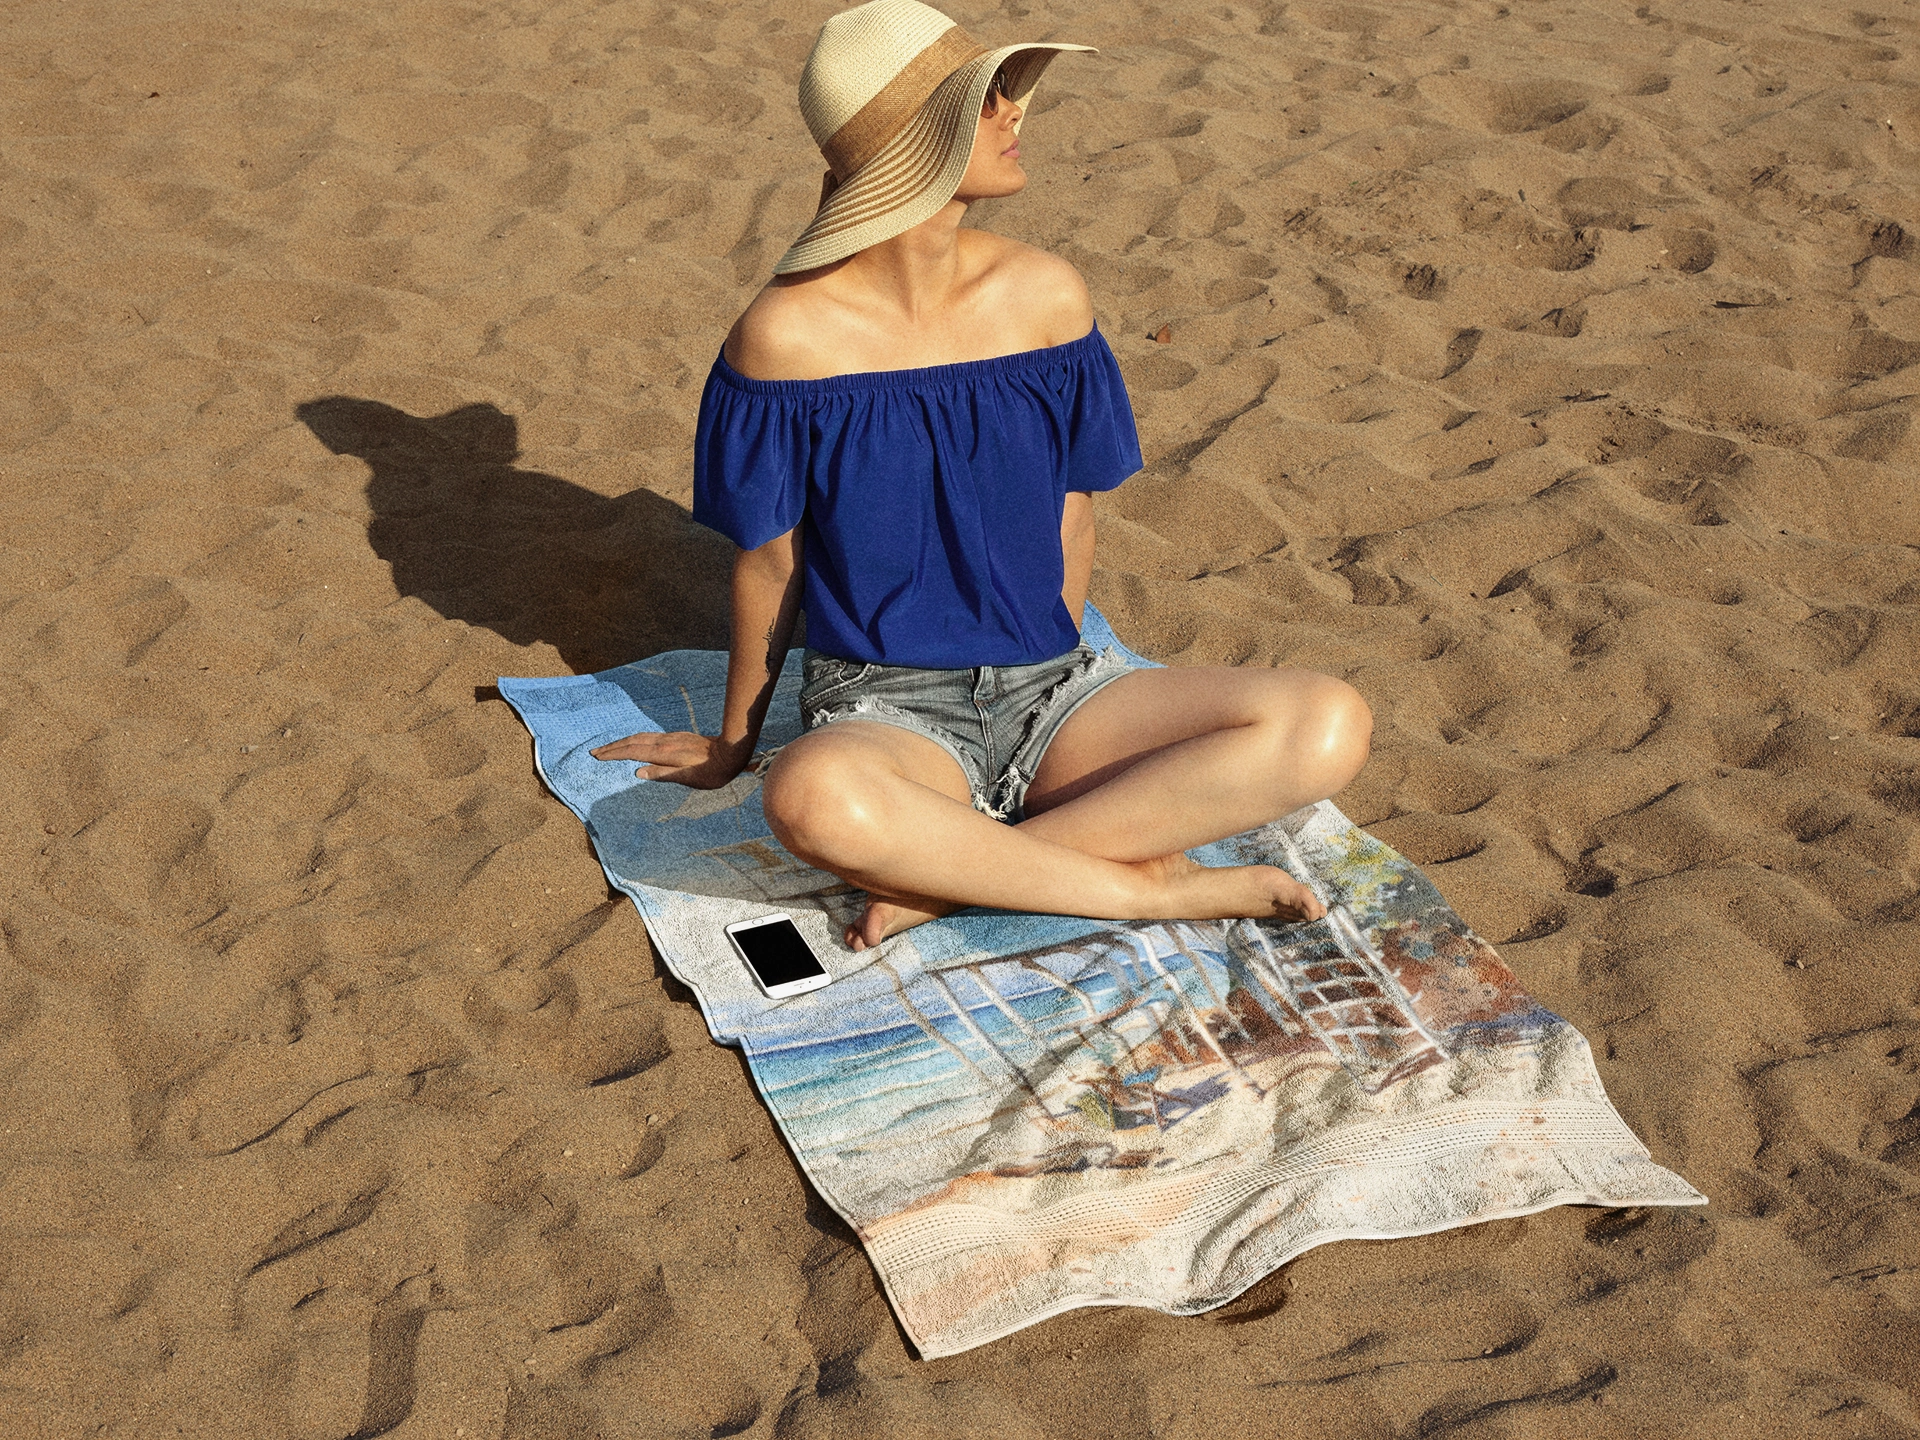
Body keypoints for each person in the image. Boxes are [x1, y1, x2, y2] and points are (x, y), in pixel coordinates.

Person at [591, 0, 1372, 951]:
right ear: (917, 149)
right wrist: (734, 746)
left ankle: (958, 878)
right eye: (984, 102)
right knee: (809, 798)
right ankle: (1137, 891)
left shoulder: (1047, 295)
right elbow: (771, 561)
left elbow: (1072, 518)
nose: (1015, 114)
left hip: (1056, 687)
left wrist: (1055, 665)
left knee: (1328, 721)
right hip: (888, 709)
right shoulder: (785, 339)